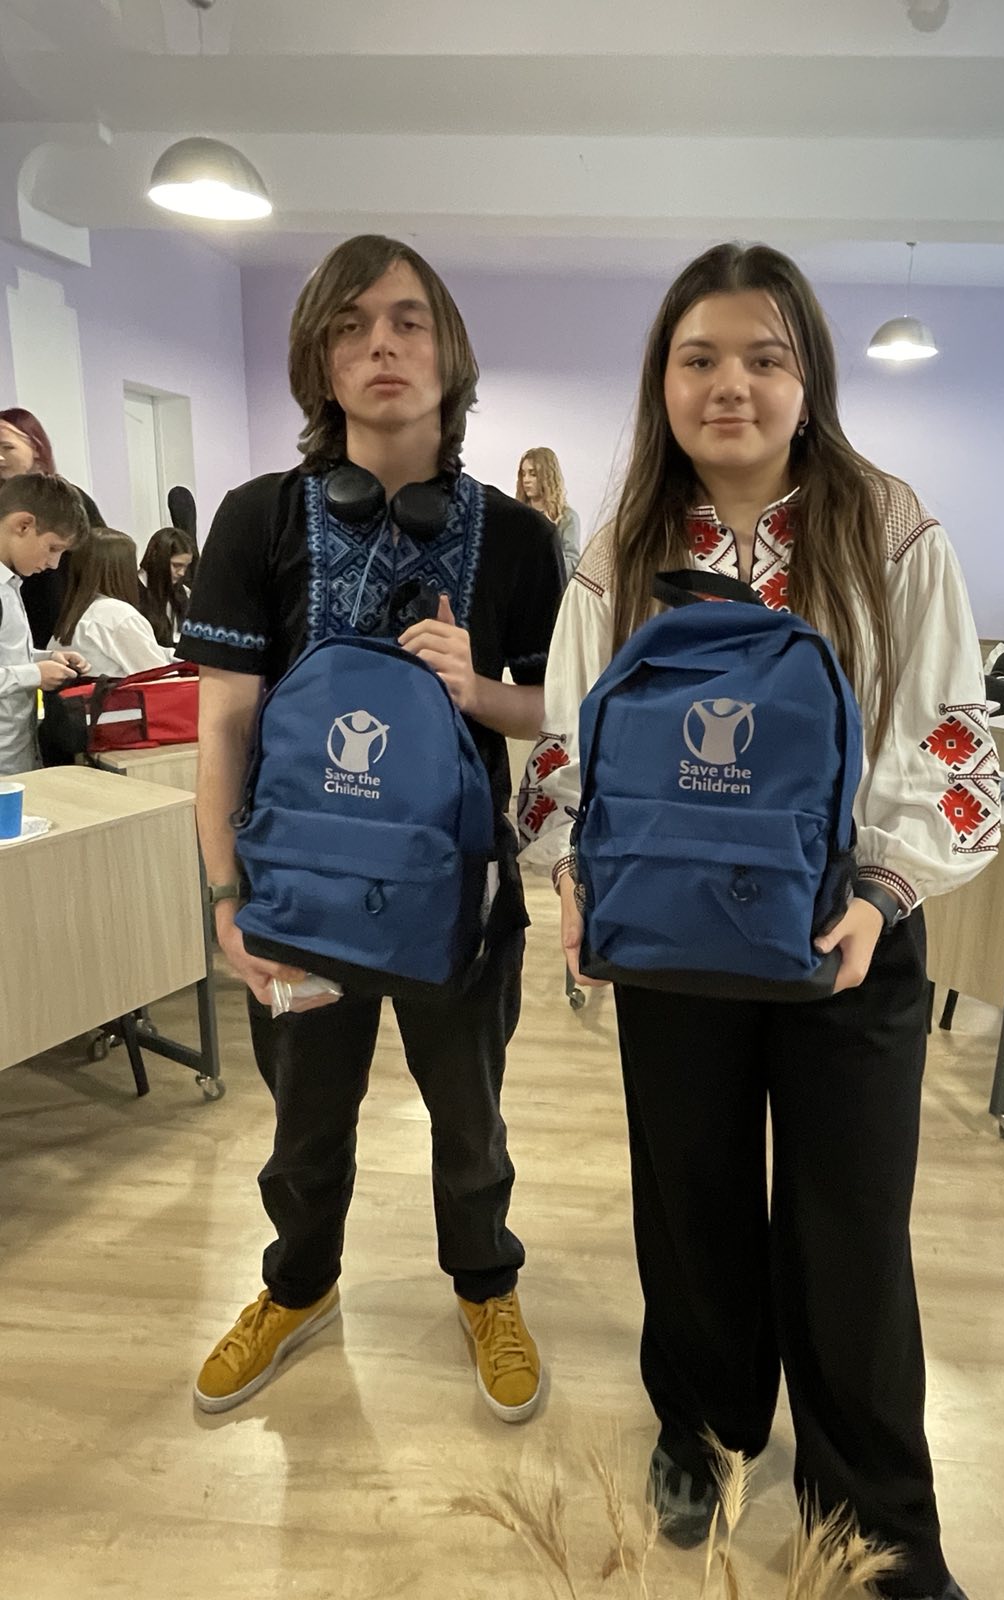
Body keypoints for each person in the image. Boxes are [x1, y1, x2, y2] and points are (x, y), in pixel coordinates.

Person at [519, 244, 996, 1600]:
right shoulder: (624, 548)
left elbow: (948, 736)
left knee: (851, 1228)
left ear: (808, 379)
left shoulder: (887, 528)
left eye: (765, 357)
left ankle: (878, 1519)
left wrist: (884, 892)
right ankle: (706, 1427)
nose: (731, 384)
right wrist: (574, 878)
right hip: (674, 933)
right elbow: (569, 746)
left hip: (847, 928)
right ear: (662, 380)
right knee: (693, 1202)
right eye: (700, 358)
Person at [177, 234, 564, 1419]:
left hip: (459, 896)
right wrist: (227, 898)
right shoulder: (257, 519)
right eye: (349, 326)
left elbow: (557, 710)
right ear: (318, 360)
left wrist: (477, 689)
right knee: (303, 1126)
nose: (380, 345)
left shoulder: (517, 537)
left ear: (450, 353)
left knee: (471, 1118)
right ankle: (298, 1288)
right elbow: (224, 728)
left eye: (406, 320)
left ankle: (486, 1284)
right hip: (299, 893)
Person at [0, 474, 91, 775]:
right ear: (23, 525)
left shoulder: (9, 585)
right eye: (53, 548)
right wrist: (35, 674)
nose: (54, 564)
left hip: (17, 756)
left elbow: (6, 656)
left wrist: (46, 658)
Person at [0, 407, 104, 648]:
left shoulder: (71, 502)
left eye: (8, 447)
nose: (1, 457)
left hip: (57, 621)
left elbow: (101, 561)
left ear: (36, 448)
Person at [50, 528, 176, 678]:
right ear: (122, 570)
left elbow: (147, 651)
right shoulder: (119, 616)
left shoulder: (72, 617)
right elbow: (161, 676)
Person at [517, 447, 581, 575]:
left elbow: (571, 562)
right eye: (523, 474)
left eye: (533, 474)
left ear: (547, 476)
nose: (526, 480)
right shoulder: (517, 513)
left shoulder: (567, 517)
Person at [138, 526, 195, 646]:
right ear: (157, 559)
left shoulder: (183, 592)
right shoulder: (134, 592)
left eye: (186, 566)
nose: (182, 573)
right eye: (176, 565)